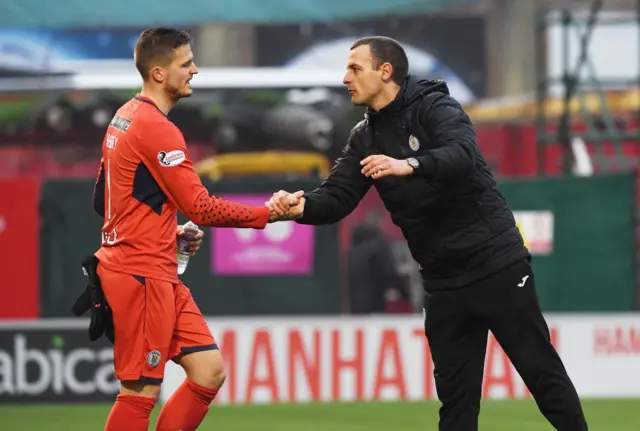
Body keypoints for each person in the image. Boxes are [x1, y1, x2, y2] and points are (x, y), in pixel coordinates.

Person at [267, 36, 588, 430]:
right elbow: (337, 197)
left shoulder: (436, 106)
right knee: (455, 401)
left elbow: (463, 154)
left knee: (541, 373)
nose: (345, 78)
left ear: (385, 72)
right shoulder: (364, 136)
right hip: (442, 281)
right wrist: (300, 208)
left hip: (495, 265)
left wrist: (410, 165)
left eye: (354, 68)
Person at [91, 27, 287, 431]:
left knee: (208, 370)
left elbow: (103, 199)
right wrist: (267, 213)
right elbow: (200, 206)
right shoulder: (156, 127)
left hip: (153, 269)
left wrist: (166, 233)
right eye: (186, 63)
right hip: (140, 275)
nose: (195, 70)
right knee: (139, 392)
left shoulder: (123, 117)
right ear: (160, 73)